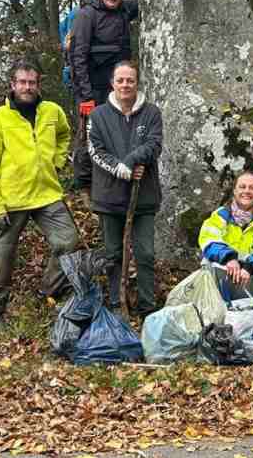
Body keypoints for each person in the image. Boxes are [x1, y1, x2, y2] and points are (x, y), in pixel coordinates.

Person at [0, 60, 79, 331]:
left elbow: (64, 135)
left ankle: (47, 291)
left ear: (38, 84)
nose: (27, 87)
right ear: (12, 85)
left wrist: (57, 162)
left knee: (68, 241)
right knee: (2, 254)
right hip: (11, 199)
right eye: (22, 82)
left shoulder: (52, 111)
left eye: (31, 82)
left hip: (47, 193)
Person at [87, 61, 163, 317]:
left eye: (130, 80)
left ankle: (147, 305)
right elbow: (95, 150)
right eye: (120, 80)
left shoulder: (151, 112)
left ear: (137, 82)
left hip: (144, 197)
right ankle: (117, 304)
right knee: (113, 254)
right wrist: (116, 168)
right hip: (109, 197)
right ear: (112, 83)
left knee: (145, 253)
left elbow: (154, 145)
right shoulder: (98, 116)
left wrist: (130, 163)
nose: (125, 85)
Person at [69, 0, 140, 193]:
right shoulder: (87, 15)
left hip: (118, 90)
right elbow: (77, 57)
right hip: (92, 89)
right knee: (88, 136)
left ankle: (109, 183)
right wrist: (85, 96)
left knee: (113, 136)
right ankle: (83, 186)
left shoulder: (124, 10)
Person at [198, 171, 253, 300]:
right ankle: (212, 308)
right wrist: (228, 258)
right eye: (242, 187)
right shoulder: (220, 215)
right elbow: (208, 238)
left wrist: (250, 266)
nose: (247, 191)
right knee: (207, 261)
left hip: (250, 276)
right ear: (234, 191)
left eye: (252, 188)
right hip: (225, 270)